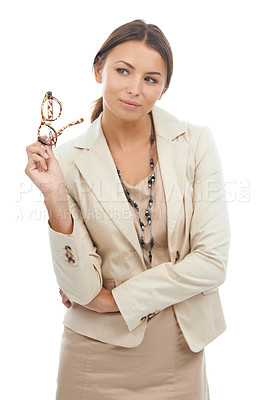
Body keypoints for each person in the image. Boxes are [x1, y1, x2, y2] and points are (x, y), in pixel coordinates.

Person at [25, 19, 230, 400]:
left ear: (163, 89)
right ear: (99, 68)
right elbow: (81, 290)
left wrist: (117, 299)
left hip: (177, 352)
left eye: (151, 79)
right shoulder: (67, 161)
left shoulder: (195, 143)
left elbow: (212, 263)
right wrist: (54, 195)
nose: (135, 89)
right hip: (93, 355)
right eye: (123, 71)